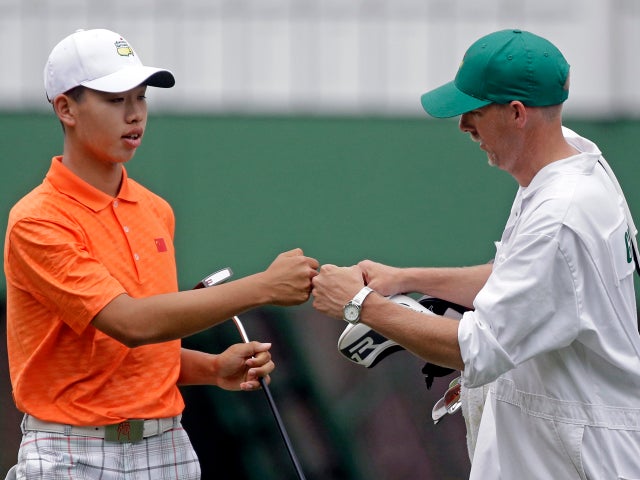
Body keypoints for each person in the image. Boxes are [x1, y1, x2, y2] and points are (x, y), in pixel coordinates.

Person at [311, 29, 640, 479]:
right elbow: (515, 278)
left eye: (475, 111)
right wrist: (404, 279)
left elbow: (479, 348)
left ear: (517, 113)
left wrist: (360, 305)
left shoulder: (561, 212)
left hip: (577, 461)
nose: (464, 125)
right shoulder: (569, 168)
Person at [3, 28, 319, 480]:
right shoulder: (38, 220)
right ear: (66, 109)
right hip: (70, 452)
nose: (134, 115)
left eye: (141, 98)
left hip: (169, 447)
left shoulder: (156, 211)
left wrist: (212, 368)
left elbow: (138, 349)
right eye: (115, 100)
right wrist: (263, 287)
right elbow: (131, 324)